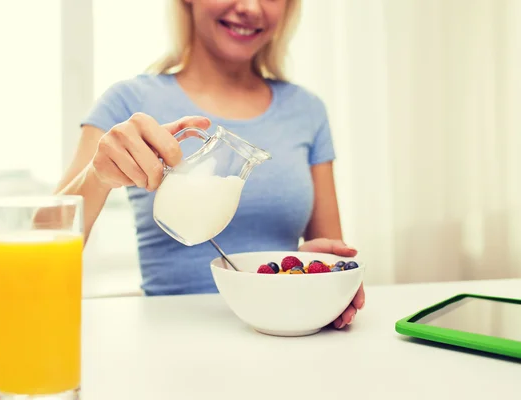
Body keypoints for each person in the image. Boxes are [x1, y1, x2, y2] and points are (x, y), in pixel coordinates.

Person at [55, 0, 364, 329]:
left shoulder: (307, 110)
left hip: (280, 334)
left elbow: (331, 254)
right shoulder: (129, 100)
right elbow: (37, 242)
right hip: (171, 342)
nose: (251, 8)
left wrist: (317, 269)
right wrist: (96, 176)